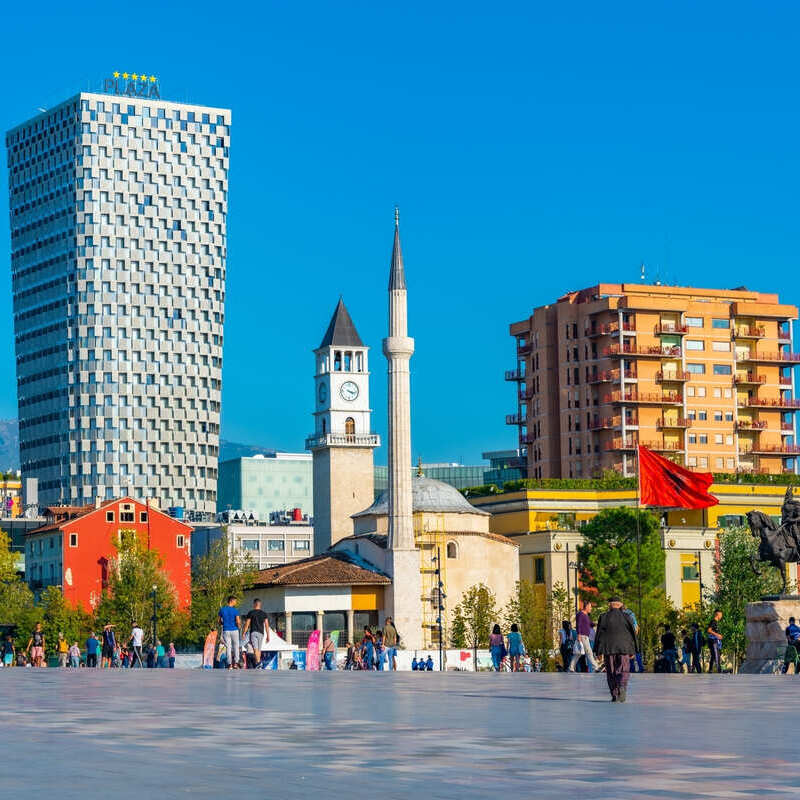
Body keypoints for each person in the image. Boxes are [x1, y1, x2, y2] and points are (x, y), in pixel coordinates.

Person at [593, 596, 638, 702]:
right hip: (625, 648)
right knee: (624, 669)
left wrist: (598, 651)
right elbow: (633, 634)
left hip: (609, 648)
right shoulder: (627, 617)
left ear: (610, 605)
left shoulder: (603, 617)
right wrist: (633, 650)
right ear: (620, 605)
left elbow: (599, 634)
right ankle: (622, 686)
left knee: (611, 671)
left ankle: (614, 693)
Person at [569, 601, 599, 673]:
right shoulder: (581, 614)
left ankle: (571, 667)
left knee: (578, 653)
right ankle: (596, 667)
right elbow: (578, 624)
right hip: (582, 635)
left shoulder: (586, 615)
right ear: (586, 606)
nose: (591, 608)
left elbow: (589, 624)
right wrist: (579, 634)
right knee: (589, 652)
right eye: (590, 607)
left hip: (585, 636)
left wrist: (597, 624)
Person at [242, 599, 270, 669]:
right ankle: (258, 664)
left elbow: (247, 624)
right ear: (260, 604)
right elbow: (267, 625)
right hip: (261, 633)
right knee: (259, 649)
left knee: (255, 649)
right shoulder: (264, 613)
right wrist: (268, 636)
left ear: (254, 604)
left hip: (253, 632)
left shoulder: (251, 613)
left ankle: (258, 663)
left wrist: (243, 633)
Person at [218, 595, 241, 670]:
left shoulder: (222, 610)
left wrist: (222, 624)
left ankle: (229, 664)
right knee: (236, 646)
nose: (235, 602)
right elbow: (238, 621)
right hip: (234, 630)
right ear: (231, 601)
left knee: (228, 647)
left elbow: (219, 621)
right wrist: (239, 626)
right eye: (235, 601)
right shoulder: (235, 610)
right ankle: (236, 663)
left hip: (226, 630)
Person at [707, 609, 723, 673]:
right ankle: (719, 670)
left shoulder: (716, 622)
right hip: (713, 641)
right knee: (716, 655)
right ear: (717, 614)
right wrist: (717, 635)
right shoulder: (713, 621)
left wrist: (719, 636)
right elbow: (709, 630)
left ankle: (710, 670)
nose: (721, 616)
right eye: (721, 614)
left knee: (714, 655)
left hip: (715, 641)